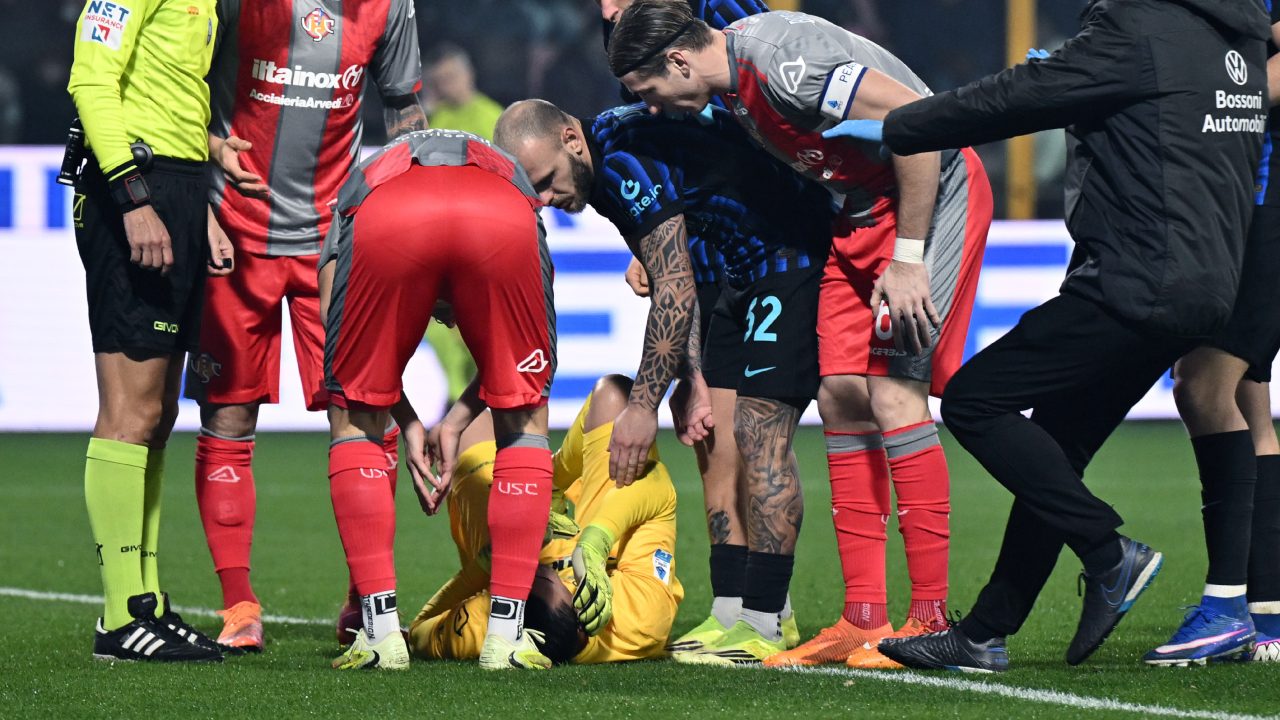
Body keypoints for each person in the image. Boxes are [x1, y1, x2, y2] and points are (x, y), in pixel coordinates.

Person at [813, 0, 1267, 672]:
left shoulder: (1135, 29)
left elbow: (1018, 99)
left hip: (1134, 281)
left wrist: (903, 125)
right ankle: (985, 631)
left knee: (974, 400)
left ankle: (1110, 554)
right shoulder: (1229, 39)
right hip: (1205, 283)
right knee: (1055, 446)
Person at [607, 2, 992, 667]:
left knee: (895, 396)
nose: (656, 109)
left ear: (676, 61)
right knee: (841, 394)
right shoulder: (733, 91)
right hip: (857, 213)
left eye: (650, 94)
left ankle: (929, 616)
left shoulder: (781, 64)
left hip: (931, 195)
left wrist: (907, 256)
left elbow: (921, 128)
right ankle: (861, 617)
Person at [495, 98, 835, 663]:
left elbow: (672, 287)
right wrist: (694, 375)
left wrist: (641, 408)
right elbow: (673, 267)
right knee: (714, 440)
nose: (549, 201)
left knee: (758, 431)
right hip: (732, 266)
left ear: (571, 139)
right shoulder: (597, 171)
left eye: (548, 182)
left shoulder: (622, 166)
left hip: (788, 252)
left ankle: (768, 618)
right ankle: (731, 607)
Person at [185, 0, 425, 654]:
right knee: (229, 416)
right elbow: (182, 84)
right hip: (234, 229)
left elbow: (404, 110)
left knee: (363, 416)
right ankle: (238, 604)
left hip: (338, 241)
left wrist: (405, 212)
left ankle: (364, 598)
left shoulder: (388, 6)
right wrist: (194, 201)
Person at [322, 129, 557, 671]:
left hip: (389, 209)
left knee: (352, 419)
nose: (445, 318)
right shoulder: (508, 179)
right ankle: (506, 637)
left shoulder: (351, 199)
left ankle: (380, 635)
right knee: (527, 416)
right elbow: (515, 377)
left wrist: (411, 422)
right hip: (499, 208)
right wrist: (446, 421)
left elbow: (350, 374)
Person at [595, 0, 774, 661]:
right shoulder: (633, 39)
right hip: (705, 248)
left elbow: (755, 119)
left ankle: (773, 606)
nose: (610, 10)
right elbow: (666, 160)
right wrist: (649, 242)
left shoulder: (724, 16)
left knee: (768, 428)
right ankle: (735, 606)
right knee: (709, 428)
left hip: (771, 242)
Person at [68, 0, 232, 664]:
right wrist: (134, 197)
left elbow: (174, 92)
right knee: (129, 410)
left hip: (182, 186)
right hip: (136, 187)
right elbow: (90, 79)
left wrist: (204, 208)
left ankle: (146, 602)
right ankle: (118, 616)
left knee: (160, 412)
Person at [1153, 4, 1280, 666]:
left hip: (1262, 203)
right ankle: (1266, 614)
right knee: (1242, 395)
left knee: (1205, 385)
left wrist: (1179, 87)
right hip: (1236, 202)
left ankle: (1229, 605)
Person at [409, 375, 683, 665]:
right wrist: (595, 541)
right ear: (582, 626)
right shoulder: (638, 620)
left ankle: (544, 482)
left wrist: (486, 566)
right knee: (616, 394)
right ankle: (552, 478)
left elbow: (418, 630)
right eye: (543, 577)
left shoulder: (489, 622)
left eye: (523, 582)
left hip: (505, 545)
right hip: (608, 530)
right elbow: (658, 488)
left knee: (468, 430)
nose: (529, 564)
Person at [419, 42, 499, 407]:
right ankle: (456, 399)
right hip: (441, 244)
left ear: (469, 74)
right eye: (440, 80)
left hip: (483, 243)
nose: (447, 85)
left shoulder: (492, 118)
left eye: (451, 76)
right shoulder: (436, 120)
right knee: (438, 330)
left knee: (478, 334)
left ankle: (482, 404)